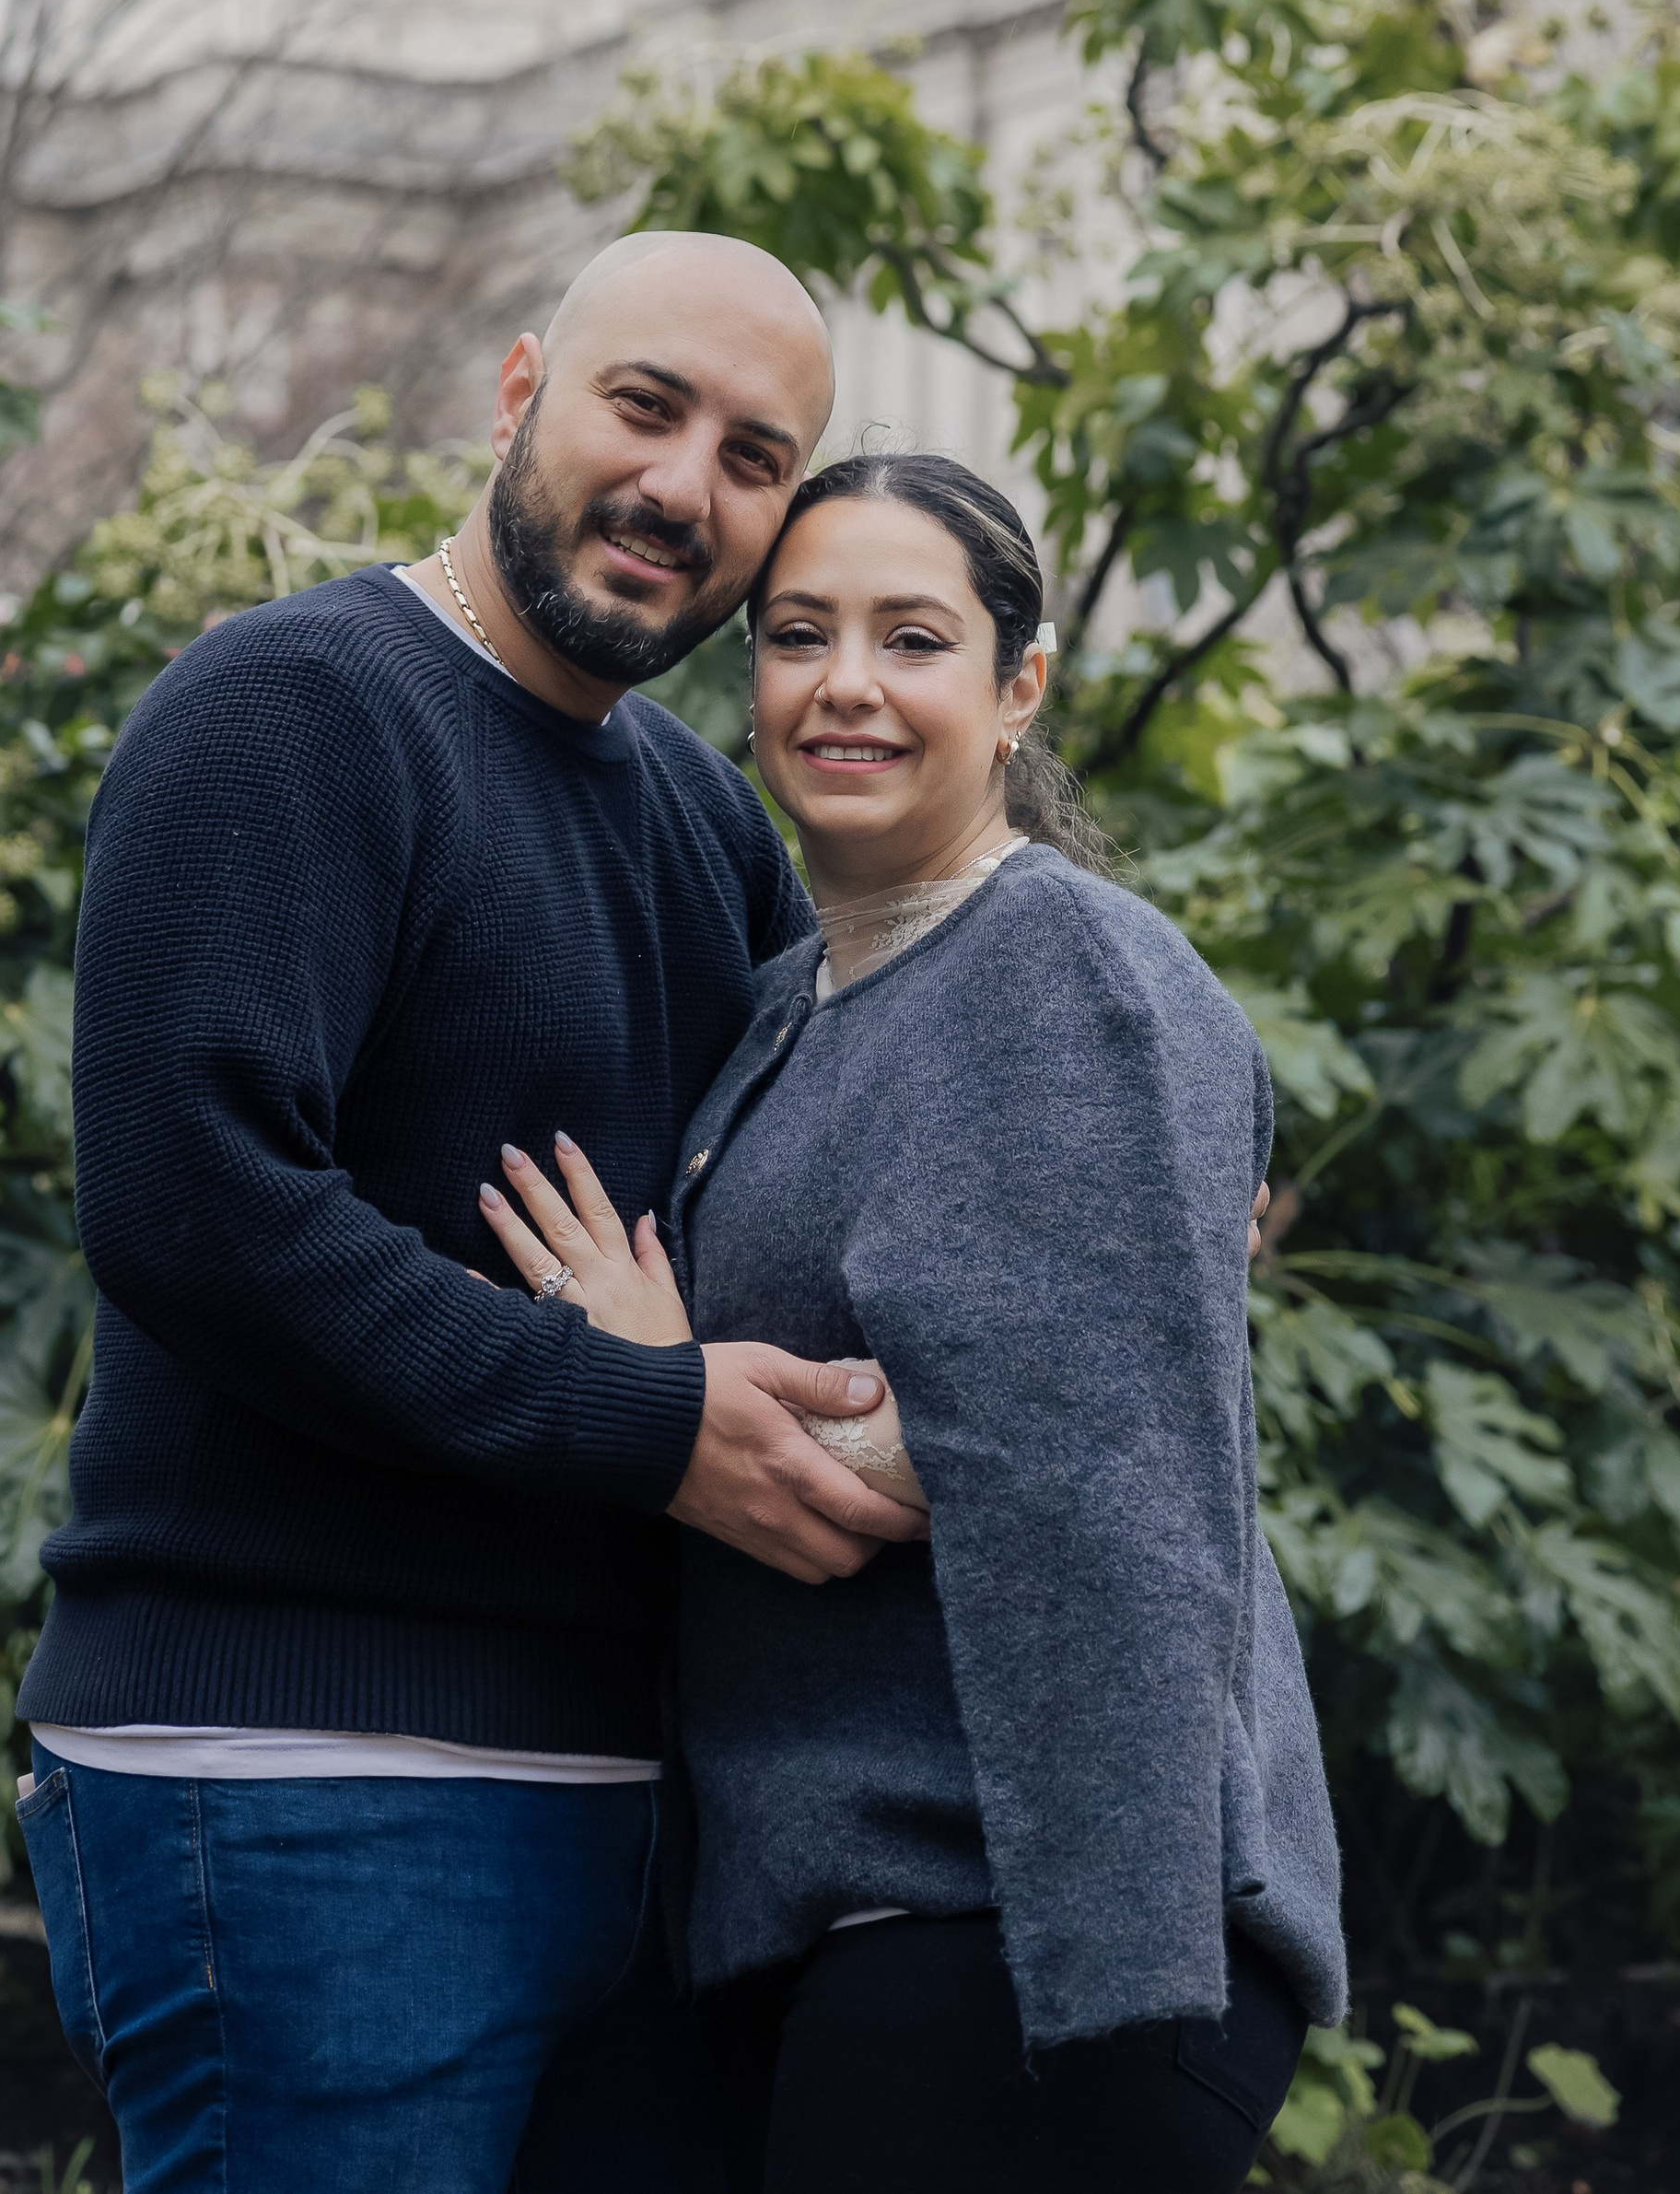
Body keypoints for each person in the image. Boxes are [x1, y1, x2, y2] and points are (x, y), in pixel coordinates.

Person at [14, 239, 929, 2194]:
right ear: (517, 392)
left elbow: (844, 1161)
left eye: (754, 457)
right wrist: (644, 1413)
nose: (686, 488)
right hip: (295, 1776)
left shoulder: (696, 822)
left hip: (635, 1797)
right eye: (644, 407)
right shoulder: (291, 709)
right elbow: (196, 1204)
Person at [479, 450, 1349, 2194]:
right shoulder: (788, 1002)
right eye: (799, 634)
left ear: (1017, 687)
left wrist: (654, 1388)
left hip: (1040, 1928)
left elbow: (1068, 1427)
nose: (846, 683)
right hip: (853, 1915)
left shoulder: (1067, 962)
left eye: (912, 635)